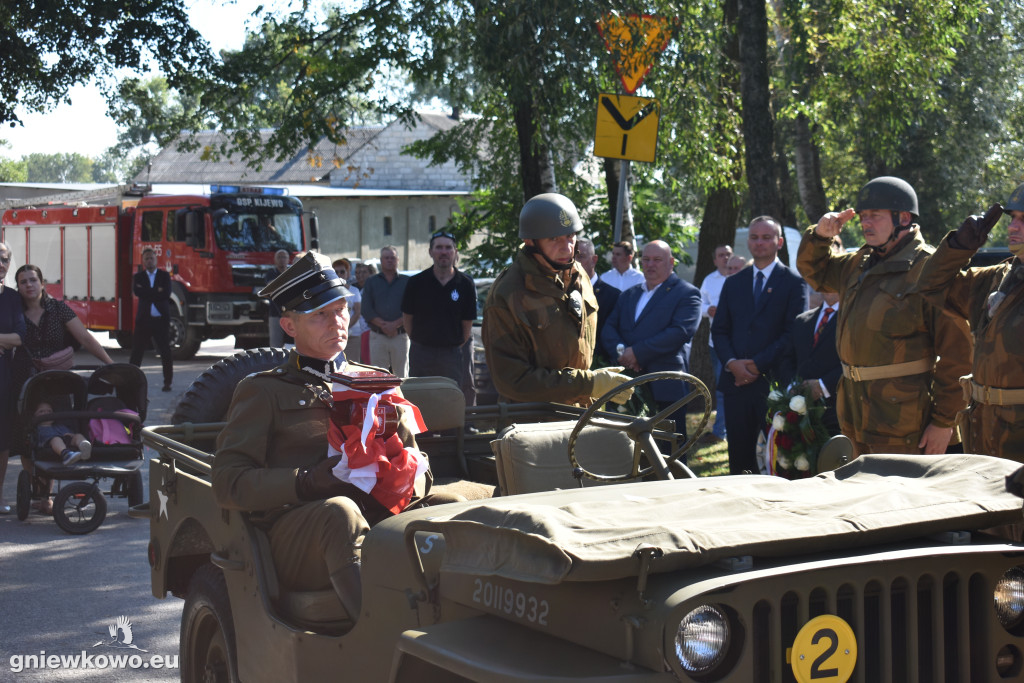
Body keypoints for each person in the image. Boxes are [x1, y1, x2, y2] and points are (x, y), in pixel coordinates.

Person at [212, 251, 471, 623]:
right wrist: (306, 481)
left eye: (340, 310)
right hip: (298, 528)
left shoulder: (376, 381)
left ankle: (462, 628)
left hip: (376, 511)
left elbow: (417, 464)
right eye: (320, 314)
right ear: (289, 326)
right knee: (341, 513)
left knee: (453, 505)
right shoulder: (264, 391)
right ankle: (381, 639)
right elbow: (226, 482)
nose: (336, 322)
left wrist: (401, 476)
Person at [798, 175, 971, 457]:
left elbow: (958, 355)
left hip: (905, 422)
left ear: (903, 218)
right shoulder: (858, 263)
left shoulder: (930, 268)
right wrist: (819, 236)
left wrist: (943, 422)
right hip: (856, 414)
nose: (865, 223)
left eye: (875, 216)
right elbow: (816, 274)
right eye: (863, 216)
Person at [483, 193, 632, 407]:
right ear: (529, 241)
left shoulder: (580, 275)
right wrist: (587, 383)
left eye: (570, 236)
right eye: (554, 239)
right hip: (533, 423)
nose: (567, 248)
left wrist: (593, 382)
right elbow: (512, 381)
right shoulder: (507, 293)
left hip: (581, 414)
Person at [915, 188, 1024, 461]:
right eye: (1012, 218)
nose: (1013, 227)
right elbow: (930, 286)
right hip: (985, 433)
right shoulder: (997, 278)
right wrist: (958, 248)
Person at [713, 216, 808, 475]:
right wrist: (733, 364)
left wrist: (756, 365)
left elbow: (791, 334)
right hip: (735, 385)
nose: (760, 242)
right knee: (740, 461)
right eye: (754, 237)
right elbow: (720, 330)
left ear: (779, 242)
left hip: (773, 384)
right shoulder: (734, 283)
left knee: (779, 459)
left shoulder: (793, 283)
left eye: (767, 237)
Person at [602, 240, 701, 442]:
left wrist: (637, 353)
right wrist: (623, 353)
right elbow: (608, 328)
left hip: (665, 385)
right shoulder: (630, 294)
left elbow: (679, 332)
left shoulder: (686, 293)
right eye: (646, 259)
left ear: (671, 262)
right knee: (625, 450)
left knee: (667, 451)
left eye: (657, 260)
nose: (650, 264)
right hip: (627, 385)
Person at [401, 231, 477, 405]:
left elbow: (467, 323)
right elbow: (407, 318)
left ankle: (451, 433)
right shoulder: (416, 282)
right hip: (422, 353)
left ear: (455, 252)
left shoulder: (465, 284)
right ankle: (424, 434)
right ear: (430, 252)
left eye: (448, 248)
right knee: (421, 399)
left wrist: (455, 345)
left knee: (450, 399)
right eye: (439, 247)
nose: (444, 252)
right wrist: (420, 340)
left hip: (452, 354)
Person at [778, 287, 843, 436]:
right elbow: (787, 359)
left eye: (834, 279)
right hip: (800, 412)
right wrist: (792, 386)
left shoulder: (852, 319)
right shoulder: (802, 320)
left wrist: (823, 386)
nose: (829, 285)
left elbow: (854, 363)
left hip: (838, 411)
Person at [699, 244, 734, 442]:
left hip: (737, 342)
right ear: (714, 260)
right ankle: (721, 431)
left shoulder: (739, 276)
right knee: (721, 386)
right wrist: (708, 310)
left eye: (728, 254)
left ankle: (723, 430)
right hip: (716, 343)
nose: (725, 258)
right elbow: (700, 303)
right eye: (721, 255)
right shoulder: (709, 280)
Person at [0, 242, 25, 514]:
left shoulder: (12, 298)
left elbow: (19, 337)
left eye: (5, 259)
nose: (1, 264)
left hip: (3, 376)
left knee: (2, 441)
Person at [129, 248, 174, 392]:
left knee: (165, 352)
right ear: (143, 261)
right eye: (147, 258)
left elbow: (166, 293)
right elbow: (138, 292)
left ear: (156, 259)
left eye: (151, 258)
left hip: (160, 320)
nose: (149, 261)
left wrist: (148, 293)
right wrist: (156, 292)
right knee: (137, 353)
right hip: (144, 321)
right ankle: (131, 382)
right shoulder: (139, 277)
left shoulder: (164, 276)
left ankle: (168, 382)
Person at [360, 246, 410, 376]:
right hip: (378, 336)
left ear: (398, 260)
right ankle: (382, 398)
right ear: (381, 260)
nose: (389, 260)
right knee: (378, 376)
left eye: (392, 258)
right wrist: (384, 325)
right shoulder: (371, 282)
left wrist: (395, 325)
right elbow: (366, 309)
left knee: (402, 377)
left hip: (400, 336)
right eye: (386, 258)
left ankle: (401, 397)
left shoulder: (407, 281)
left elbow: (412, 309)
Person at [574, 237, 620, 346]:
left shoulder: (613, 296)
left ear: (594, 260)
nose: (575, 262)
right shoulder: (562, 291)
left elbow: (610, 336)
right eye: (571, 257)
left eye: (580, 257)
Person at [32, 400, 92, 466]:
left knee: (78, 435)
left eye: (49, 411)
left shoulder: (59, 426)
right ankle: (66, 454)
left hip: (66, 440)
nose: (46, 413)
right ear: (34, 415)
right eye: (41, 411)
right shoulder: (38, 429)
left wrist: (72, 435)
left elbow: (69, 434)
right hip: (49, 444)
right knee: (56, 439)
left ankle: (84, 447)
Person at [332, 257, 363, 362]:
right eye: (336, 272)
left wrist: (345, 326)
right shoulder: (329, 293)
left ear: (348, 273)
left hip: (353, 334)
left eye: (342, 272)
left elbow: (357, 312)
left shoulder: (355, 291)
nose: (339, 274)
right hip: (334, 334)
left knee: (352, 363)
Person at [267, 249, 291, 347]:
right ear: (275, 260)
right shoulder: (271, 272)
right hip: (275, 313)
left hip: (290, 313)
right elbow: (270, 286)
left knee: (291, 343)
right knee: (275, 344)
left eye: (284, 257)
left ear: (288, 259)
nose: (282, 259)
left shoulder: (292, 272)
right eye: (279, 257)